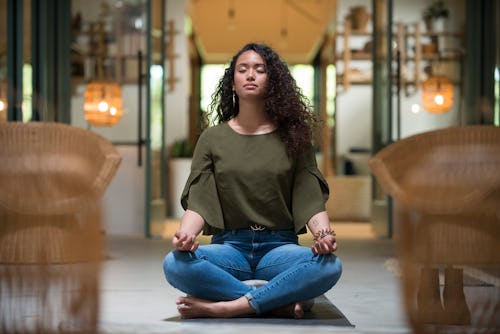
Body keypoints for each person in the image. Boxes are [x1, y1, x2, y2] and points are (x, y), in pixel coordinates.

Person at [163, 42, 342, 319]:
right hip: (229, 248)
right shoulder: (212, 138)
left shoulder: (295, 138)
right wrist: (186, 236)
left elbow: (310, 198)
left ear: (272, 82)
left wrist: (323, 237)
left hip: (280, 249)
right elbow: (200, 199)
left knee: (329, 265)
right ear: (232, 83)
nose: (250, 75)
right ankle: (277, 300)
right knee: (175, 263)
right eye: (242, 69)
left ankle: (228, 306)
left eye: (259, 70)